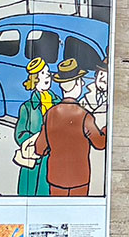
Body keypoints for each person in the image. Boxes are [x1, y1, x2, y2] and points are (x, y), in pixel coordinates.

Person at [34, 58, 107, 196]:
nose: (83, 83)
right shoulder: (85, 116)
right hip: (79, 177)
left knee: (56, 213)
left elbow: (40, 148)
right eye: (80, 80)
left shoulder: (50, 114)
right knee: (78, 213)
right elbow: (100, 143)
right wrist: (107, 127)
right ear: (76, 84)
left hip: (55, 177)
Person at [14, 57, 59, 196]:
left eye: (48, 73)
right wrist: (35, 140)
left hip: (52, 159)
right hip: (33, 161)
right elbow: (20, 134)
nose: (48, 76)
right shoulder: (27, 107)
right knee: (28, 192)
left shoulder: (58, 103)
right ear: (35, 78)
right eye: (43, 73)